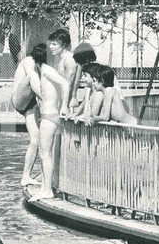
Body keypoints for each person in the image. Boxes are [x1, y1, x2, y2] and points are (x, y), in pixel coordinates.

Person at [26, 43, 71, 200]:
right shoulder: (47, 70)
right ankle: (45, 188)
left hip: (49, 117)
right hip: (50, 116)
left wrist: (64, 106)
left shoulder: (46, 71)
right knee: (45, 154)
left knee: (45, 154)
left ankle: (47, 190)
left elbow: (65, 84)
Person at [11, 43, 46, 187]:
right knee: (32, 76)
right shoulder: (28, 61)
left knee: (35, 139)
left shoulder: (43, 66)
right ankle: (45, 99)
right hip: (19, 98)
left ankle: (26, 176)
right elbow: (33, 80)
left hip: (32, 104)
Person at [67, 43, 97, 118]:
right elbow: (86, 99)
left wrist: (86, 114)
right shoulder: (91, 70)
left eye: (81, 63)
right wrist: (76, 113)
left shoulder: (96, 70)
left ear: (86, 60)